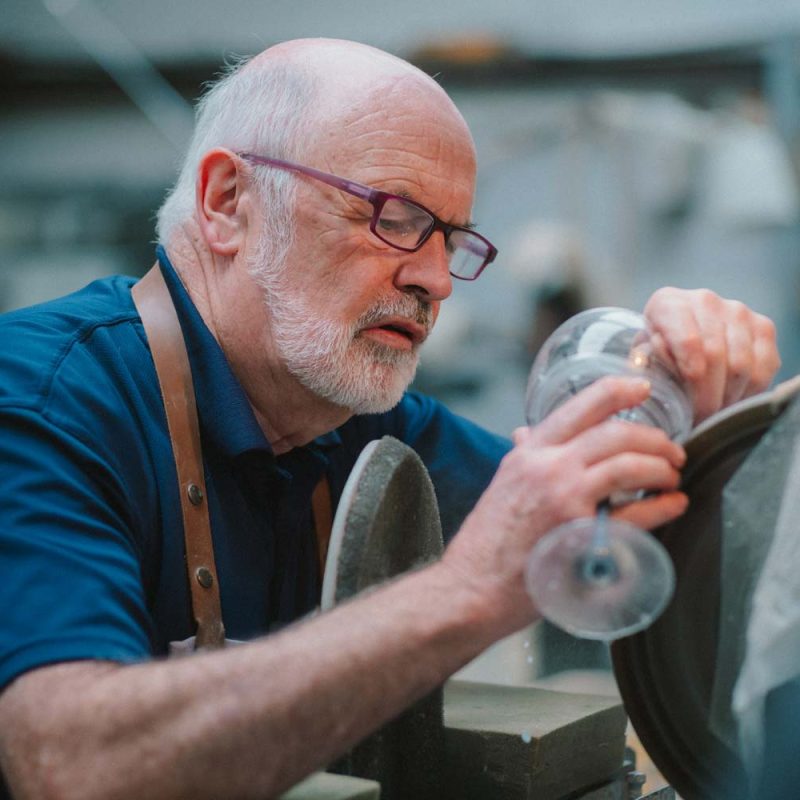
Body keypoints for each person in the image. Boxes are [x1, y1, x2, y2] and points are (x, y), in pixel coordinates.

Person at [0, 38, 780, 800]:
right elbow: (71, 764)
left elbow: (626, 528)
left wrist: (707, 417)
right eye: (393, 216)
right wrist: (467, 589)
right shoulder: (40, 398)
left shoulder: (368, 425)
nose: (437, 280)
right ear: (226, 202)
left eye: (452, 238)